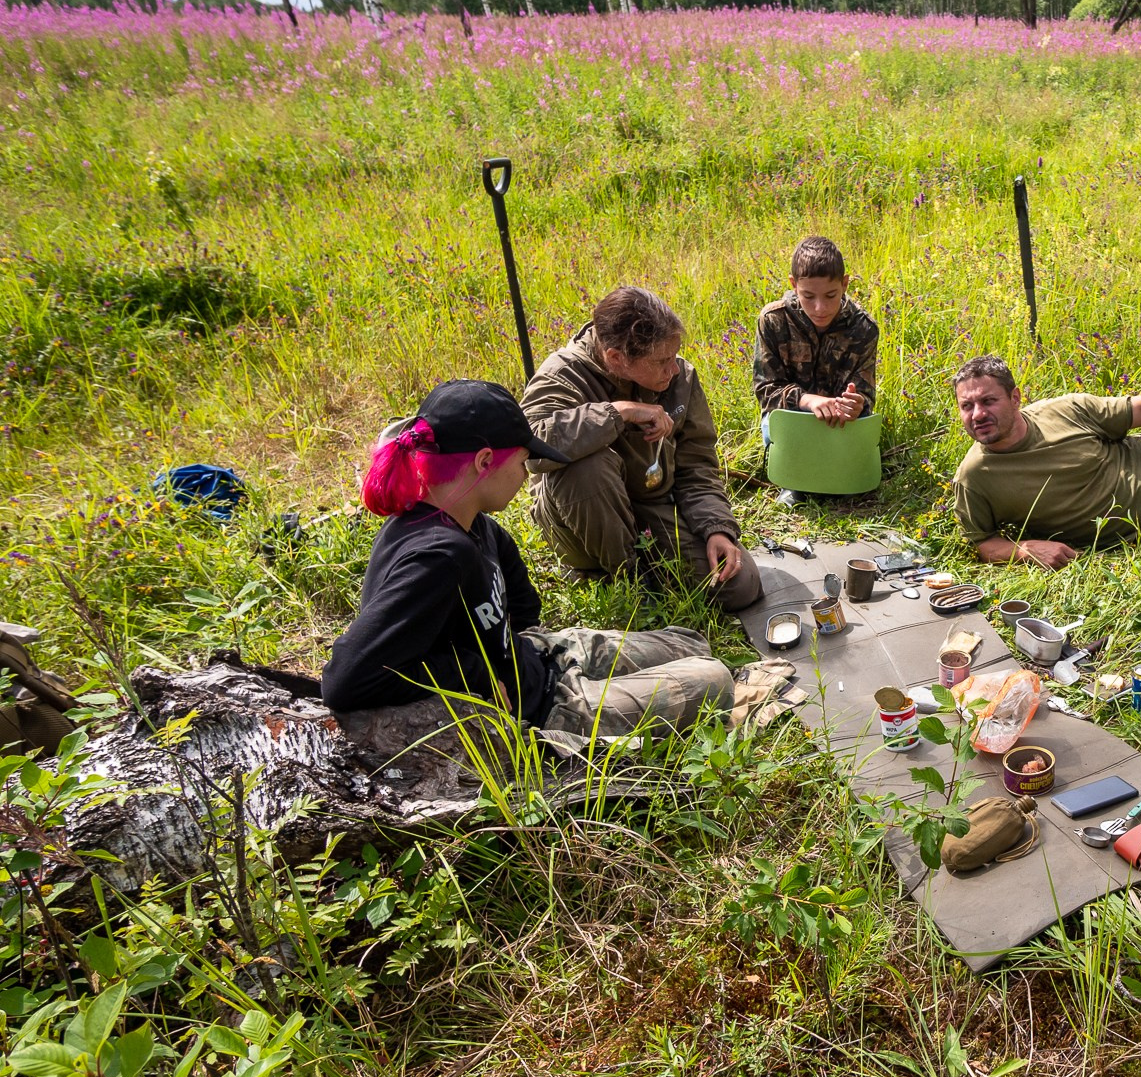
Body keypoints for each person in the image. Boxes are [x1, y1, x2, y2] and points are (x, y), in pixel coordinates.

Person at [322, 379, 737, 739]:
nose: (525, 475)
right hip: (547, 709)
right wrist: (479, 676)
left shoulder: (474, 523)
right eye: (522, 462)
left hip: (540, 656)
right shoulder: (435, 556)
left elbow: (521, 607)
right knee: (715, 679)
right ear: (485, 462)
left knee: (690, 643)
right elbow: (345, 680)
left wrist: (513, 649)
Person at [521, 286, 761, 610]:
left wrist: (717, 529)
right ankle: (626, 581)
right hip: (581, 517)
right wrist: (618, 413)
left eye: (675, 356)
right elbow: (532, 447)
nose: (673, 369)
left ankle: (648, 568)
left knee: (738, 586)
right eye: (662, 361)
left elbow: (697, 466)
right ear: (616, 359)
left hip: (650, 505)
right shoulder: (562, 375)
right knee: (586, 466)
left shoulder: (678, 378)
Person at [949, 354, 1141, 570]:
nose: (978, 414)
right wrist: (1024, 550)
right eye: (967, 406)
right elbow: (983, 542)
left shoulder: (1065, 411)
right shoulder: (974, 477)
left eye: (988, 401)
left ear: (1015, 398)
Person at [753, 235, 882, 507]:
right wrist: (808, 401)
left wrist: (855, 405)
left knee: (856, 449)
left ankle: (838, 480)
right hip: (792, 419)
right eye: (808, 296)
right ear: (793, 285)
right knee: (772, 426)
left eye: (831, 296)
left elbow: (866, 396)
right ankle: (793, 482)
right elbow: (766, 390)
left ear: (845, 284)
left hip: (840, 425)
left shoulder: (863, 329)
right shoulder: (773, 320)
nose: (820, 308)